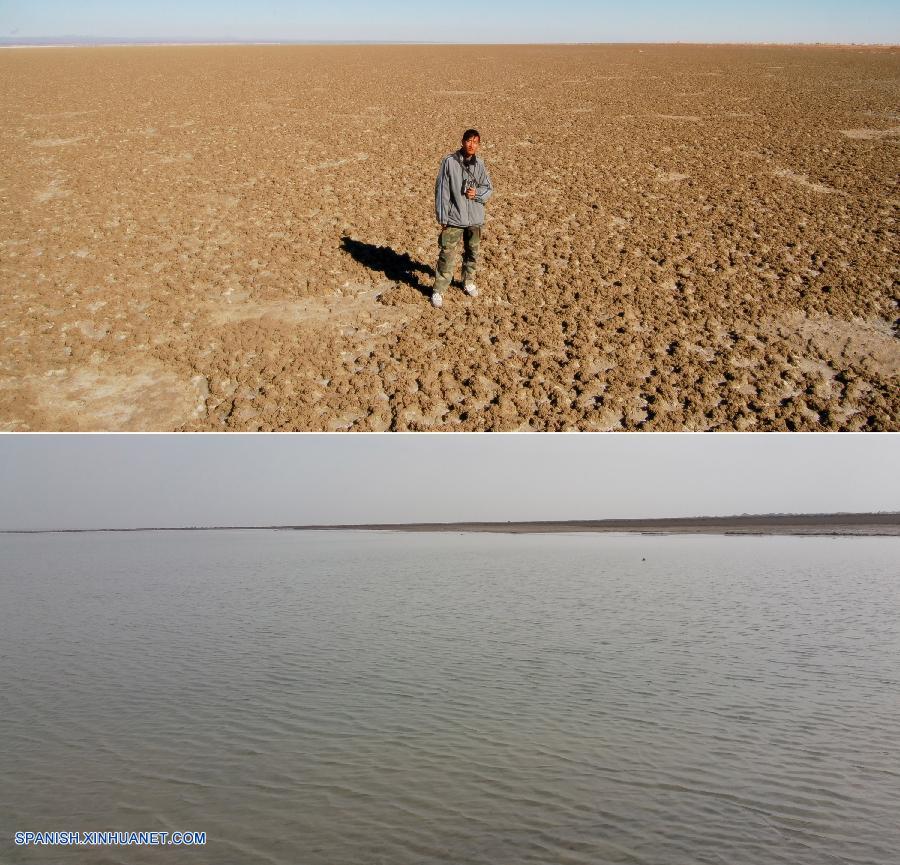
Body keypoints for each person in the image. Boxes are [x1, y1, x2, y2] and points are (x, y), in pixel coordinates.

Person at [432, 129, 493, 309]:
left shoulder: (480, 165)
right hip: (454, 218)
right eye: (469, 141)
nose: (471, 145)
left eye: (475, 142)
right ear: (462, 141)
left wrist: (477, 193)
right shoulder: (449, 162)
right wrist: (443, 217)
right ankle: (439, 290)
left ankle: (468, 282)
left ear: (479, 145)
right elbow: (441, 190)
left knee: (472, 253)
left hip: (475, 218)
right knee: (447, 254)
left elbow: (489, 188)